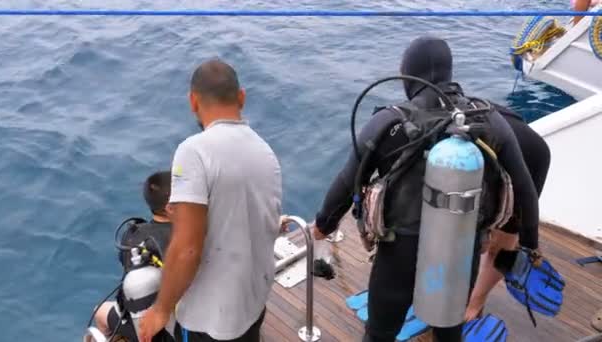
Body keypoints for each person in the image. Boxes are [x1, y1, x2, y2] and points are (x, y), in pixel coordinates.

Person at [311, 36, 540, 342]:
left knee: (380, 332)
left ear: (407, 75)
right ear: (448, 71)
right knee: (448, 330)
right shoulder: (487, 119)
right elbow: (524, 187)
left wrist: (323, 226)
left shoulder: (388, 121)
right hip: (463, 245)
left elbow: (346, 181)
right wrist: (530, 243)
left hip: (399, 252)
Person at [138, 58, 283, 342]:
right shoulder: (266, 153)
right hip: (252, 306)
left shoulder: (193, 152)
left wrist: (161, 310)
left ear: (193, 102)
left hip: (210, 321)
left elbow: (187, 249)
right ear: (241, 98)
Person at [465, 102, 551, 321]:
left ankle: (474, 306)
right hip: (490, 143)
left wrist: (530, 244)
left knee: (501, 245)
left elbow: (528, 198)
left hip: (530, 153)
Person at [93, 171, 176, 342]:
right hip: (174, 324)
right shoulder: (188, 237)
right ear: (171, 207)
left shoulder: (131, 236)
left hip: (147, 323)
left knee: (100, 312)